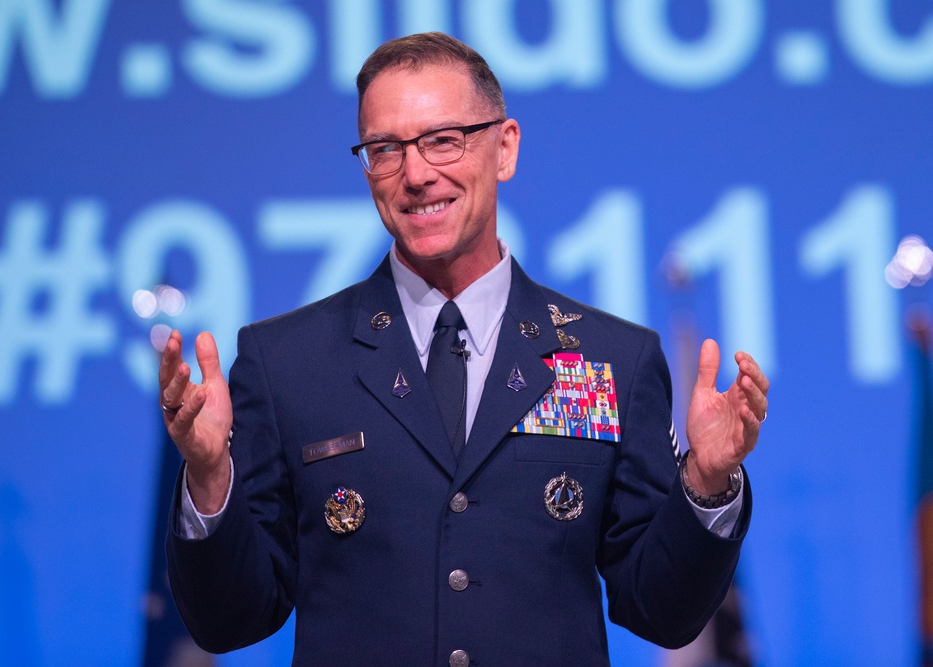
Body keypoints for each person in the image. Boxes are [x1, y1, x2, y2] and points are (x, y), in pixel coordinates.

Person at [159, 32, 769, 667]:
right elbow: (229, 620)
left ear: (504, 149)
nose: (416, 175)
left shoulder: (611, 358)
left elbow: (664, 613)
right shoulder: (286, 362)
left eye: (443, 140)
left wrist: (705, 482)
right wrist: (208, 478)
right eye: (384, 149)